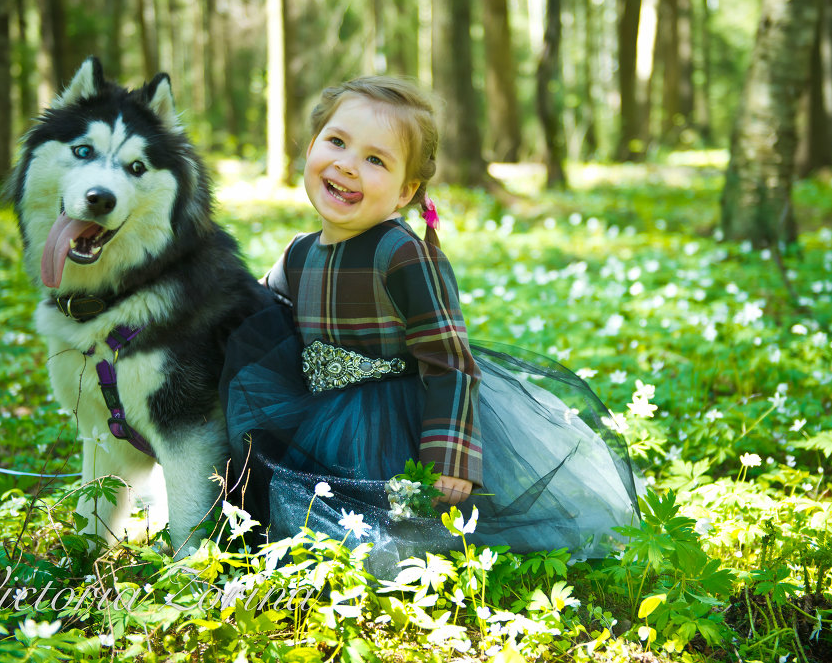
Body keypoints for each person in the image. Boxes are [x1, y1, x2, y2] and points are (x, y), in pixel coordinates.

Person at [220, 76, 642, 576]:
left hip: (395, 417)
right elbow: (260, 316)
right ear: (311, 147)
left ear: (405, 191)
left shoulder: (399, 254)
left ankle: (388, 560)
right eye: (336, 142)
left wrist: (449, 456)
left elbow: (449, 360)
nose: (347, 165)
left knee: (395, 532)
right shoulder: (298, 253)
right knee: (316, 517)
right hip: (320, 415)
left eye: (376, 160)